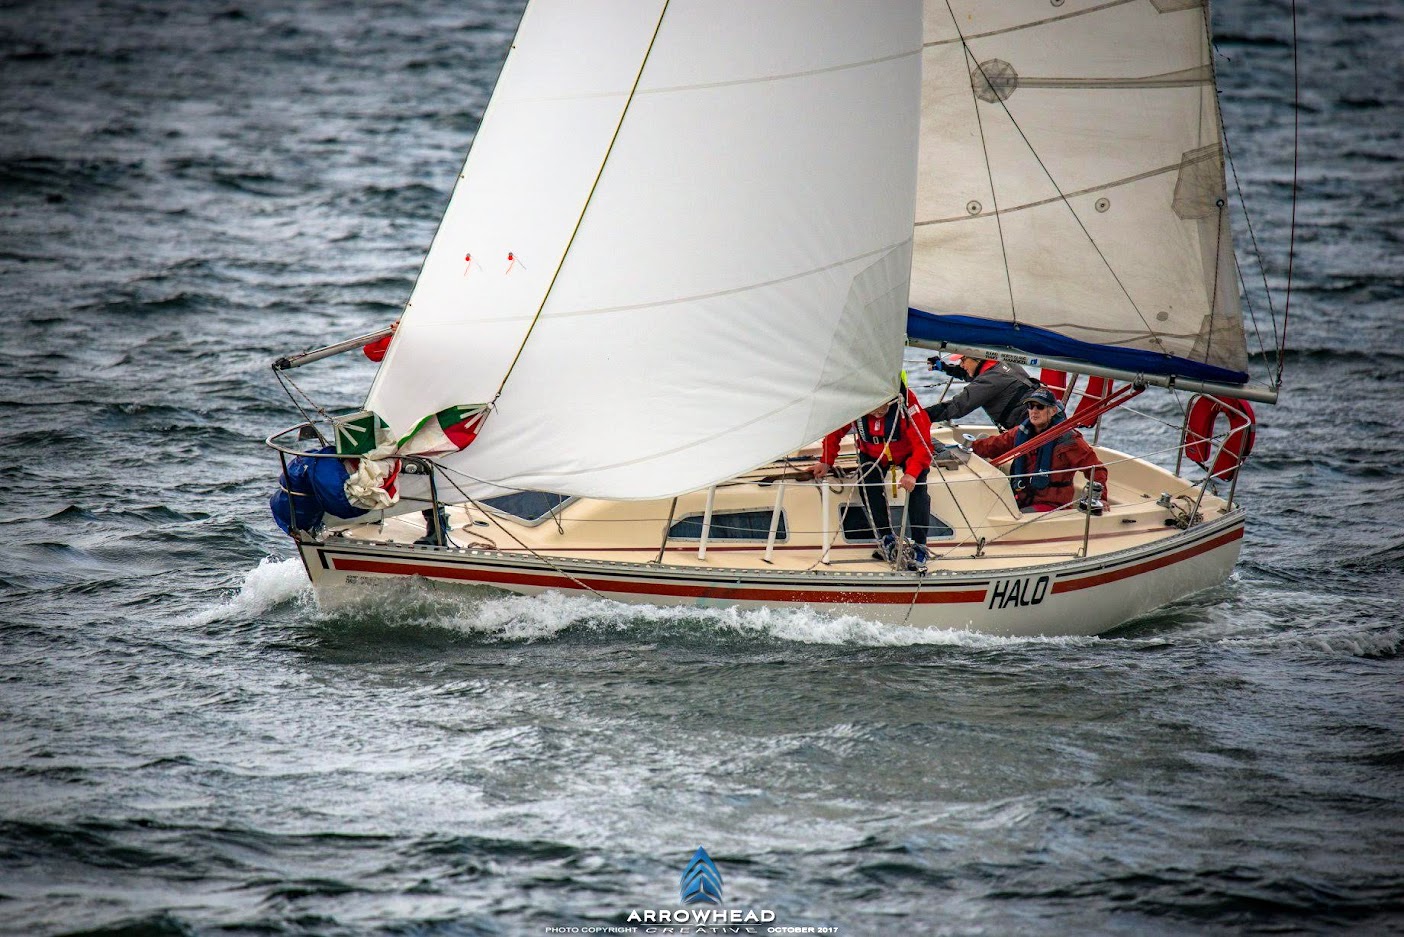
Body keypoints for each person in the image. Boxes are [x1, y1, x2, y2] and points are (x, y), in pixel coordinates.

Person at [808, 382, 934, 570]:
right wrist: (826, 460)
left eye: (882, 406)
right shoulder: (856, 404)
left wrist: (912, 474)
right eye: (873, 407)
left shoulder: (906, 404)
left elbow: (923, 444)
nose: (878, 412)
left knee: (918, 492)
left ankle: (920, 545)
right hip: (872, 454)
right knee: (868, 486)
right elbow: (835, 431)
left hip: (907, 453)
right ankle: (886, 538)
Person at [971, 387, 1108, 513]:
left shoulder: (1069, 440)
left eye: (1040, 407)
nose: (1034, 411)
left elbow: (1096, 468)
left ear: (1053, 411)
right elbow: (993, 445)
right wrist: (969, 447)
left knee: (1010, 517)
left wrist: (1100, 498)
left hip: (1052, 505)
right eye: (1030, 406)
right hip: (1022, 500)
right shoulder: (1021, 433)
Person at [924, 354, 1036, 431]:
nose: (961, 365)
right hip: (1035, 421)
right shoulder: (1002, 364)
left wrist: (922, 415)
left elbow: (957, 406)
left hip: (1029, 430)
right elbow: (972, 374)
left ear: (977, 358)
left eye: (963, 360)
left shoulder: (990, 379)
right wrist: (945, 367)